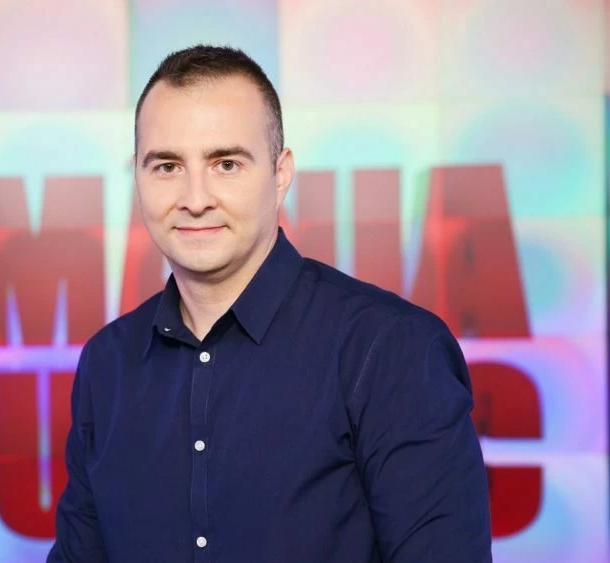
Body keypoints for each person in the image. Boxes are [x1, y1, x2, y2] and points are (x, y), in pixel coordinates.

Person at [47, 44, 491, 562]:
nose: (195, 199)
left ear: (281, 174)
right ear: (138, 176)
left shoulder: (391, 349)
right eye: (167, 166)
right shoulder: (108, 363)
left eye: (226, 164)